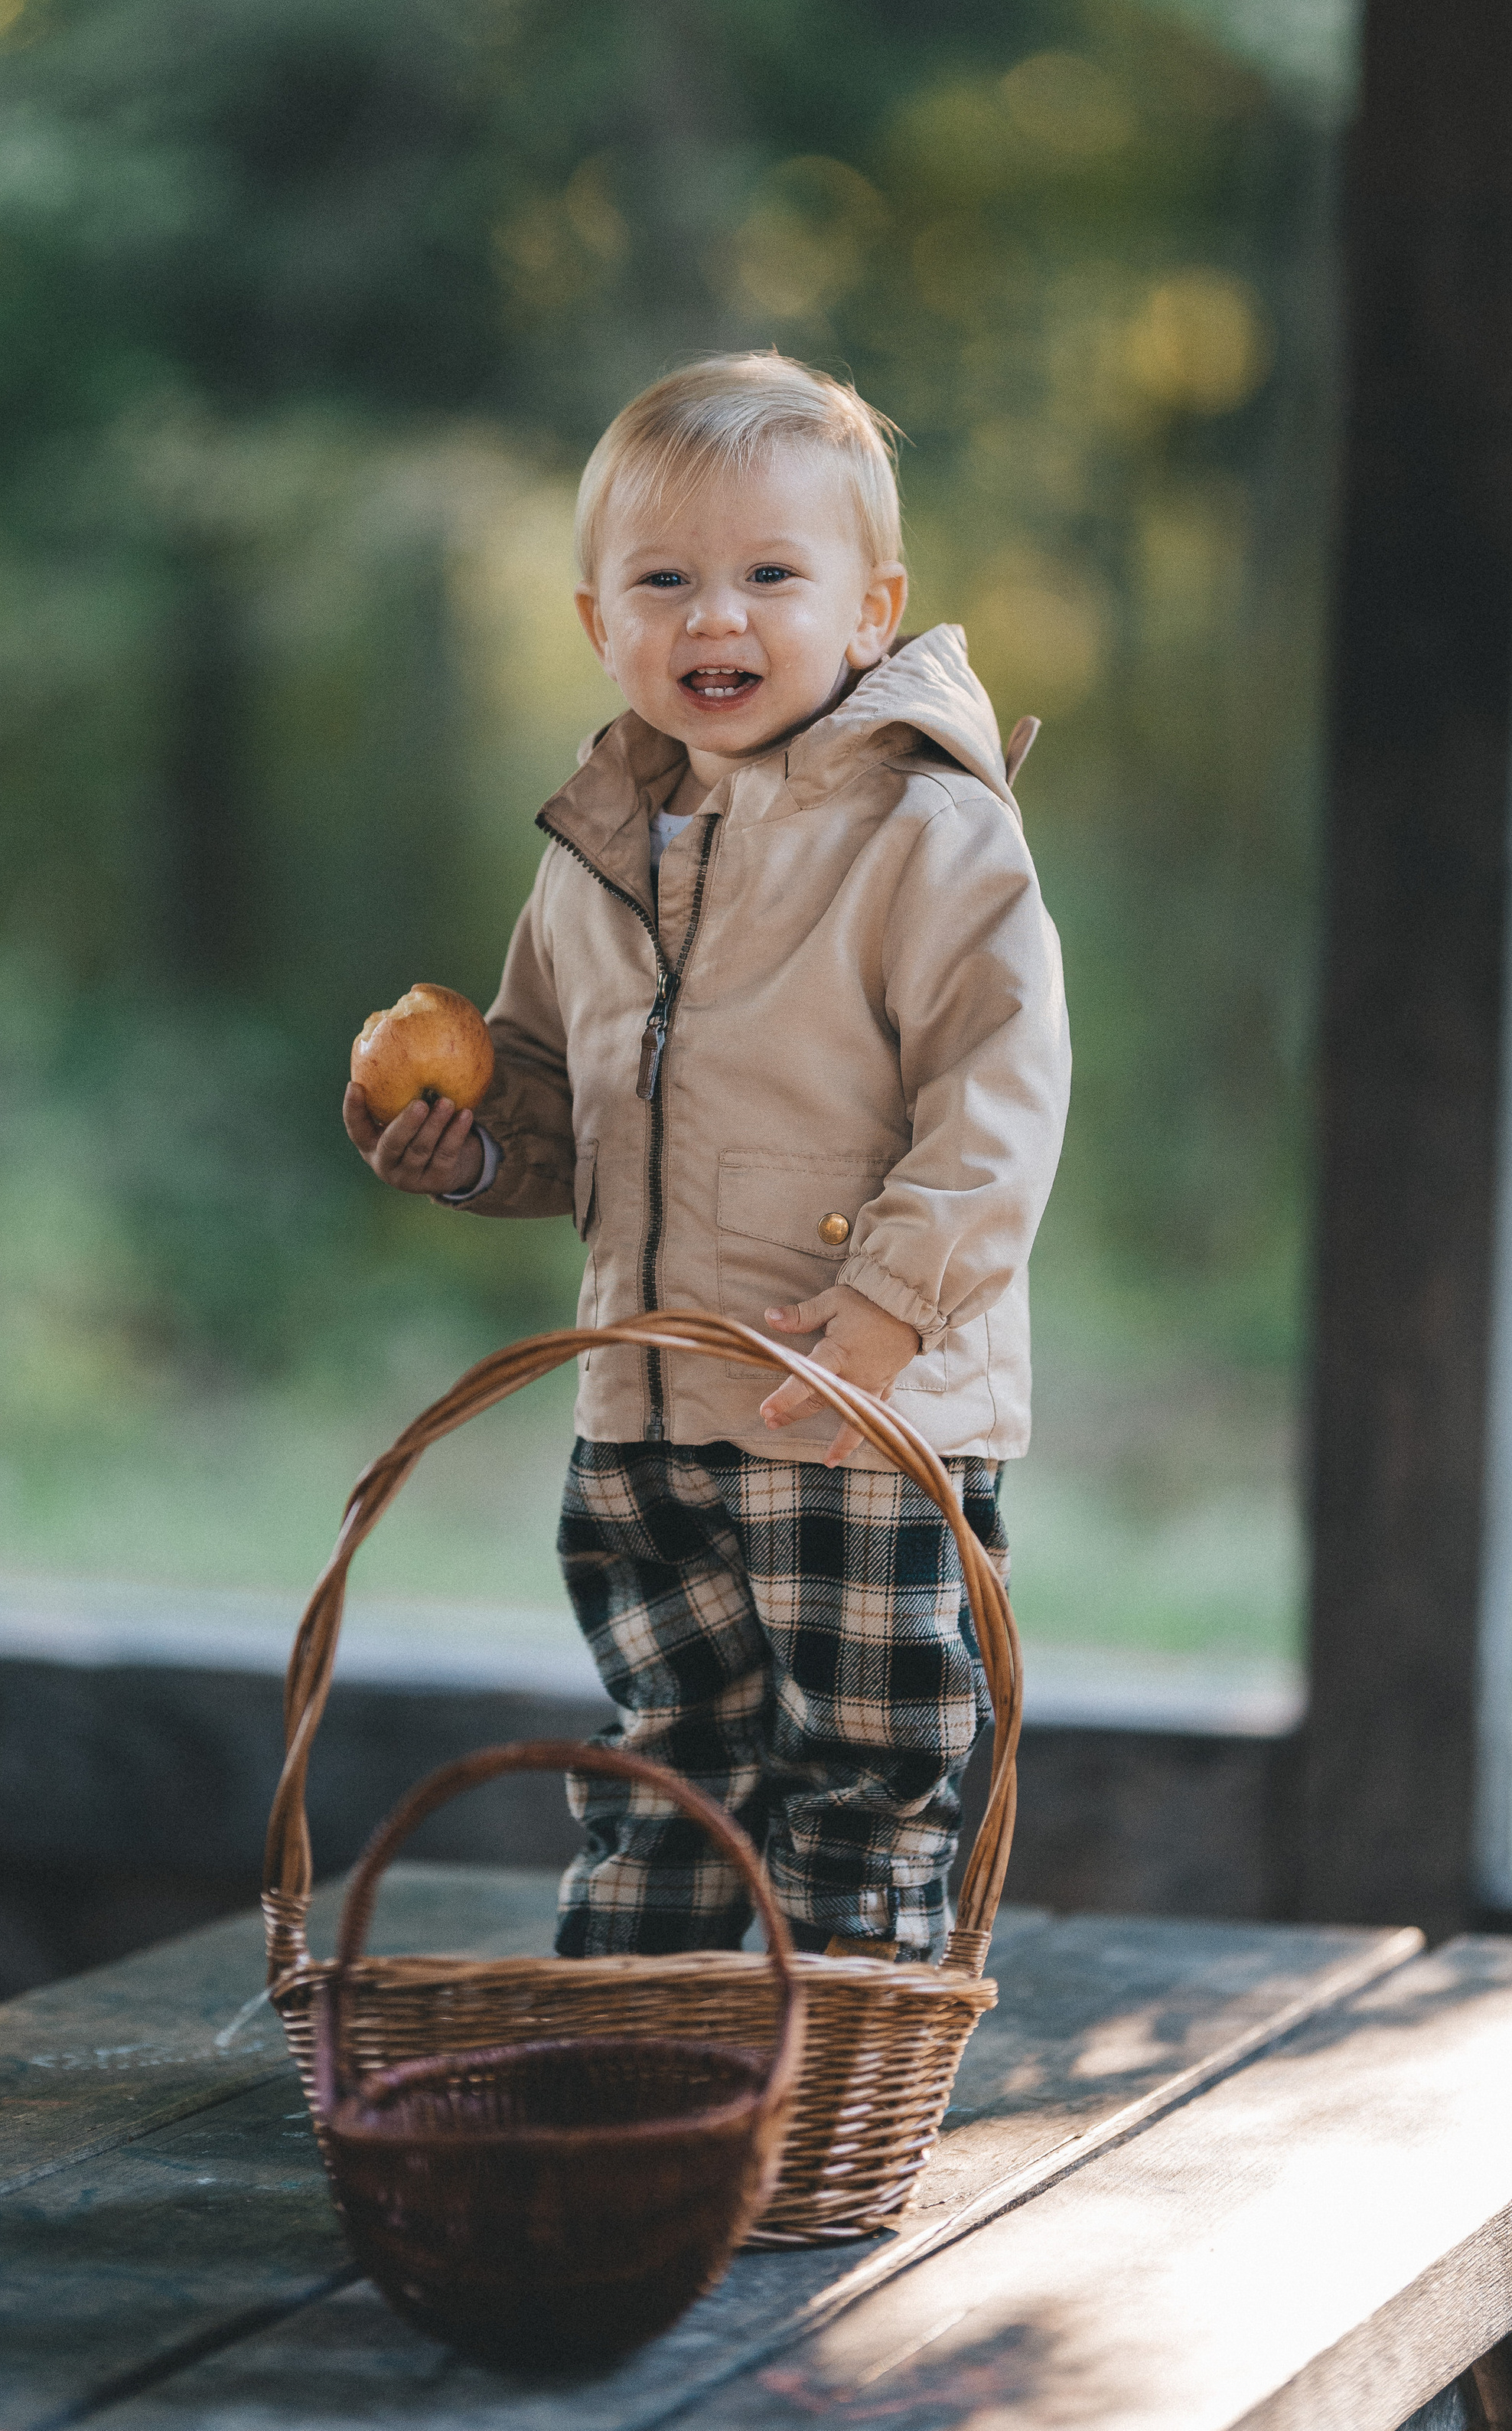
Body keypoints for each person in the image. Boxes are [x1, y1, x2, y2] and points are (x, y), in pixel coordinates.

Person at [343, 353, 1070, 1962]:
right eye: (662, 582)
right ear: (599, 624)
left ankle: (826, 2077)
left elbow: (996, 1099)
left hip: (851, 1401)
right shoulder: (598, 855)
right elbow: (554, 1100)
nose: (712, 619)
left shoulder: (925, 834)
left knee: (864, 1761)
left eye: (767, 577)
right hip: (647, 1395)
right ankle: (643, 2051)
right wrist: (464, 1148)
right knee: (673, 1747)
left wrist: (890, 1310)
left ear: (868, 609)